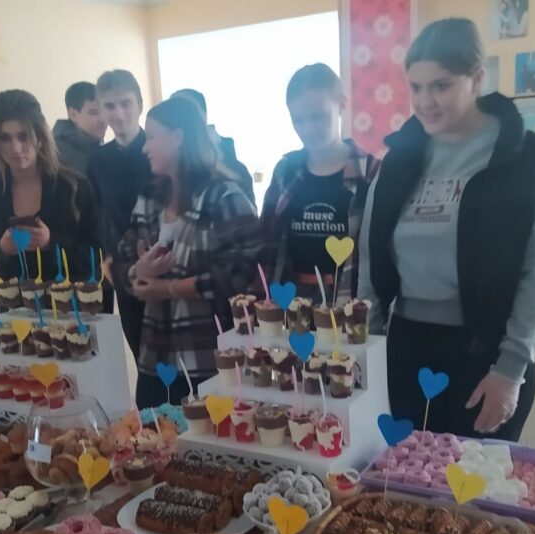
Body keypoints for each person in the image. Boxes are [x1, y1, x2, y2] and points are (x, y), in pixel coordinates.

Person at [358, 18, 535, 441]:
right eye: (416, 87)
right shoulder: (398, 162)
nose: (425, 101)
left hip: (486, 356)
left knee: (473, 477)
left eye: (441, 85)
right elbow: (369, 261)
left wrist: (510, 370)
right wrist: (368, 349)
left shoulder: (525, 162)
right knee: (404, 473)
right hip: (407, 348)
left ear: (477, 79)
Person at [117, 98, 264, 408]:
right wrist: (139, 271)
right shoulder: (149, 198)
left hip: (211, 360)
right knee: (154, 433)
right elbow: (122, 259)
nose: (144, 147)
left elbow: (241, 274)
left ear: (178, 137)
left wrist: (169, 288)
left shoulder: (224, 197)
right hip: (155, 359)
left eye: (152, 137)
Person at [261, 64, 378, 302]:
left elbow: (380, 249)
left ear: (341, 105)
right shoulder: (285, 171)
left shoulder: (370, 171)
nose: (309, 129)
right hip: (290, 298)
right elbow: (267, 240)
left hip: (351, 298)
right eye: (299, 120)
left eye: (318, 117)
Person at [0, 90, 101, 286]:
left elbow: (96, 257)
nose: (16, 148)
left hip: (72, 302)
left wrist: (51, 243)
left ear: (39, 136)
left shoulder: (74, 188)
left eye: (23, 136)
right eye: (5, 138)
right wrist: (2, 250)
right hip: (14, 303)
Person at [89, 69, 152, 352]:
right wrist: (107, 257)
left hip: (165, 265)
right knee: (139, 349)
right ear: (102, 111)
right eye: (110, 106)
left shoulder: (158, 150)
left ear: (139, 105)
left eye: (125, 103)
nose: (119, 113)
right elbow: (98, 214)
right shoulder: (97, 161)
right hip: (123, 270)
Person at [170, 88, 255, 204]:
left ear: (203, 117)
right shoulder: (163, 171)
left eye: (187, 112)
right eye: (172, 113)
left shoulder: (235, 172)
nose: (179, 120)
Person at [53, 81, 106, 177]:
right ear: (73, 114)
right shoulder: (56, 154)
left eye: (105, 111)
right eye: (94, 112)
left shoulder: (98, 147)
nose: (103, 119)